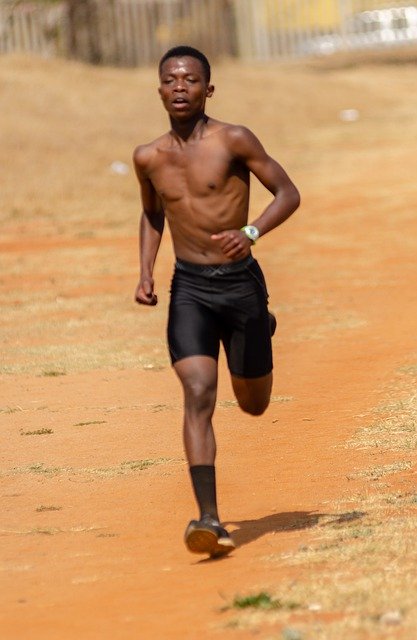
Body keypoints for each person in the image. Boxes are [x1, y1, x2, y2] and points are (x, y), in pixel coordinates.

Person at [133, 45, 300, 558]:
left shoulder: (234, 139)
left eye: (189, 79)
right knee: (199, 390)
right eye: (170, 79)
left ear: (209, 88)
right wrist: (144, 270)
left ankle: (259, 327)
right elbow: (153, 214)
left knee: (253, 404)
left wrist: (250, 231)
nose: (179, 86)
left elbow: (288, 192)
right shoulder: (148, 157)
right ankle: (209, 519)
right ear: (159, 89)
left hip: (240, 283)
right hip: (190, 288)